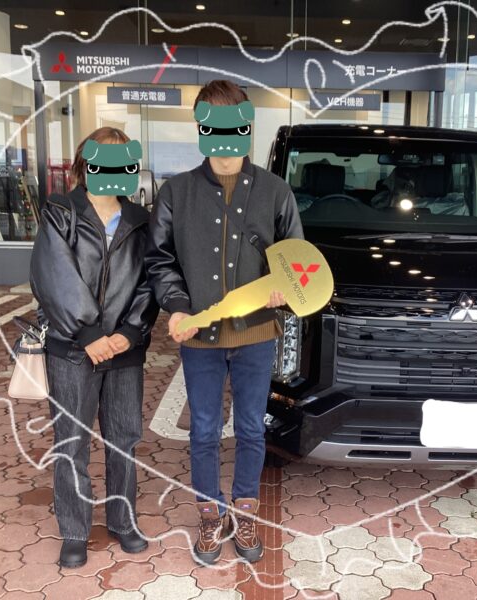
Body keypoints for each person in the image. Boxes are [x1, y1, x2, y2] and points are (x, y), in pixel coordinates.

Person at [145, 79, 303, 565]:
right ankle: (210, 516)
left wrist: (282, 290)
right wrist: (177, 305)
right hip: (201, 337)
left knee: (252, 429)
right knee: (205, 430)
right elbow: (160, 259)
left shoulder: (275, 191)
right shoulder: (176, 192)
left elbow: (295, 260)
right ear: (201, 129)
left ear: (248, 128)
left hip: (256, 334)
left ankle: (245, 513)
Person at [30, 127, 158, 569]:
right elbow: (52, 275)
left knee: (123, 440)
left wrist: (131, 332)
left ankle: (123, 521)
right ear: (85, 166)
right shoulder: (61, 212)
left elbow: (151, 280)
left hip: (124, 352)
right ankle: (74, 530)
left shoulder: (141, 220)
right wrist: (88, 334)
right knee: (72, 442)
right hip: (72, 350)